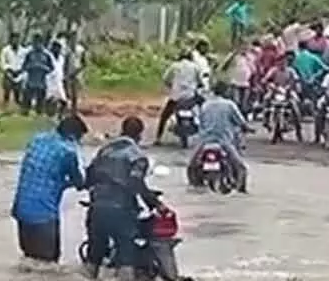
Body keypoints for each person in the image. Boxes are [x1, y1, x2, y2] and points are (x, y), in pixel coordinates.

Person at [82, 117, 162, 281]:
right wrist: (155, 203)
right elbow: (136, 183)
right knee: (126, 255)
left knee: (93, 256)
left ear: (122, 130)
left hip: (96, 210)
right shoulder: (138, 157)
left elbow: (88, 178)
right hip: (121, 211)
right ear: (140, 134)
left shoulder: (104, 151)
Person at [11, 115, 87, 263]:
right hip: (44, 215)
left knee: (29, 259)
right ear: (72, 136)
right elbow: (78, 181)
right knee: (49, 264)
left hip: (21, 210)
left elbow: (46, 174)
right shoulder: (67, 151)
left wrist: (61, 182)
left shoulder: (37, 140)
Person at [191, 81, 251, 192]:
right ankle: (242, 189)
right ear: (227, 92)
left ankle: (196, 183)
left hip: (205, 141)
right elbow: (241, 122)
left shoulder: (206, 105)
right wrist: (247, 128)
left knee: (192, 166)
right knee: (241, 167)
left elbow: (200, 122)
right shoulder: (230, 105)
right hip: (224, 141)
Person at [155, 50, 202, 145]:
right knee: (204, 109)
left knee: (164, 116)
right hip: (190, 97)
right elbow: (199, 81)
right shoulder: (195, 67)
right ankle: (204, 131)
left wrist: (171, 86)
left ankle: (158, 138)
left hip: (176, 98)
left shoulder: (174, 66)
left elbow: (166, 79)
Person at [20, 34, 54, 116]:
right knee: (26, 102)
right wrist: (31, 66)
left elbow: (51, 68)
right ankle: (25, 114)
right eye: (35, 43)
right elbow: (24, 67)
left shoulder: (46, 55)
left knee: (40, 103)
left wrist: (43, 67)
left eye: (38, 43)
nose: (36, 45)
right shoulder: (29, 54)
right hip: (30, 82)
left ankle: (39, 115)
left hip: (41, 83)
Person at [0, 33, 27, 108]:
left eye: (17, 39)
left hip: (20, 74)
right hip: (9, 74)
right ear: (11, 40)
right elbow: (2, 62)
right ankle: (5, 107)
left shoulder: (24, 51)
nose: (15, 41)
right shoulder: (5, 50)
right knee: (7, 91)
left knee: (17, 93)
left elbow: (25, 62)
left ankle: (18, 108)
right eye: (14, 39)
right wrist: (8, 69)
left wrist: (21, 70)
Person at [62, 32, 87, 113]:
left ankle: (74, 109)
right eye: (72, 38)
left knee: (75, 92)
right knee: (67, 92)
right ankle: (66, 108)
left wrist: (78, 71)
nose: (74, 40)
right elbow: (65, 62)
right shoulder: (66, 49)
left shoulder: (81, 49)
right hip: (68, 73)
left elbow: (84, 62)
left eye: (75, 38)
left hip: (77, 73)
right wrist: (65, 73)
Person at [45, 40, 68, 116]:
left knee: (64, 101)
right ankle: (49, 115)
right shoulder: (48, 56)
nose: (57, 50)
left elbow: (62, 68)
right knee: (49, 100)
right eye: (55, 48)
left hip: (59, 82)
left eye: (59, 48)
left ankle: (60, 116)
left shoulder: (62, 58)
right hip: (50, 81)